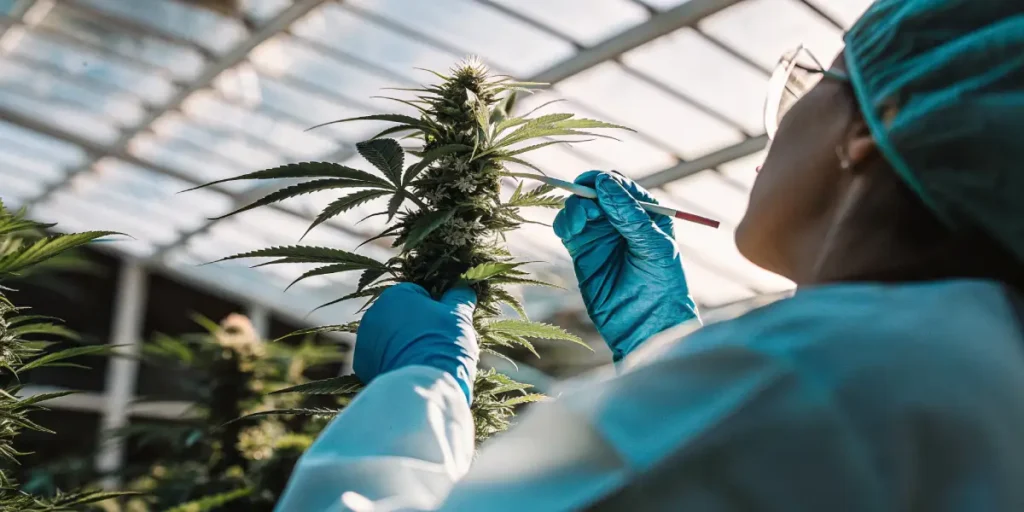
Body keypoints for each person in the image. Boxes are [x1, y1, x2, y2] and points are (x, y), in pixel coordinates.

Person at [276, 0, 1024, 510]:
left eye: (810, 85)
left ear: (875, 124)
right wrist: (664, 341)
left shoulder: (824, 372)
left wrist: (416, 392)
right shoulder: (967, 360)